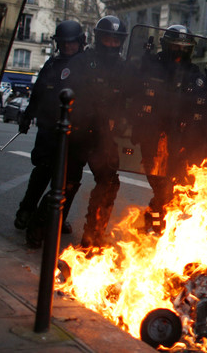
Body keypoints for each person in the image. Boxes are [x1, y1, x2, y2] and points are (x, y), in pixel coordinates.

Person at [130, 25, 207, 234]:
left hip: (180, 141)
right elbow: (133, 97)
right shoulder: (151, 67)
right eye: (175, 47)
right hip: (153, 138)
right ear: (166, 46)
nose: (179, 53)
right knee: (162, 188)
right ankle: (158, 229)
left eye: (184, 48)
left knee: (172, 190)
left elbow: (200, 109)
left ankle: (150, 219)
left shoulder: (194, 75)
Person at [60, 15, 128, 248]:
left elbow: (131, 100)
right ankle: (45, 226)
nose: (111, 44)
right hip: (78, 132)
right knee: (65, 181)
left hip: (104, 136)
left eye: (116, 40)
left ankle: (93, 235)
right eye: (107, 39)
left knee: (108, 183)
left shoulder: (124, 68)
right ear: (99, 38)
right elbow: (63, 94)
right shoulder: (81, 62)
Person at [14, 20, 86, 239]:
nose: (67, 47)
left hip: (76, 130)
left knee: (71, 177)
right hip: (48, 127)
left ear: (80, 42)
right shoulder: (52, 64)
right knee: (43, 170)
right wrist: (27, 116)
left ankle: (57, 219)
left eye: (71, 43)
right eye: (64, 43)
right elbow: (38, 92)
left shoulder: (86, 65)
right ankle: (26, 211)